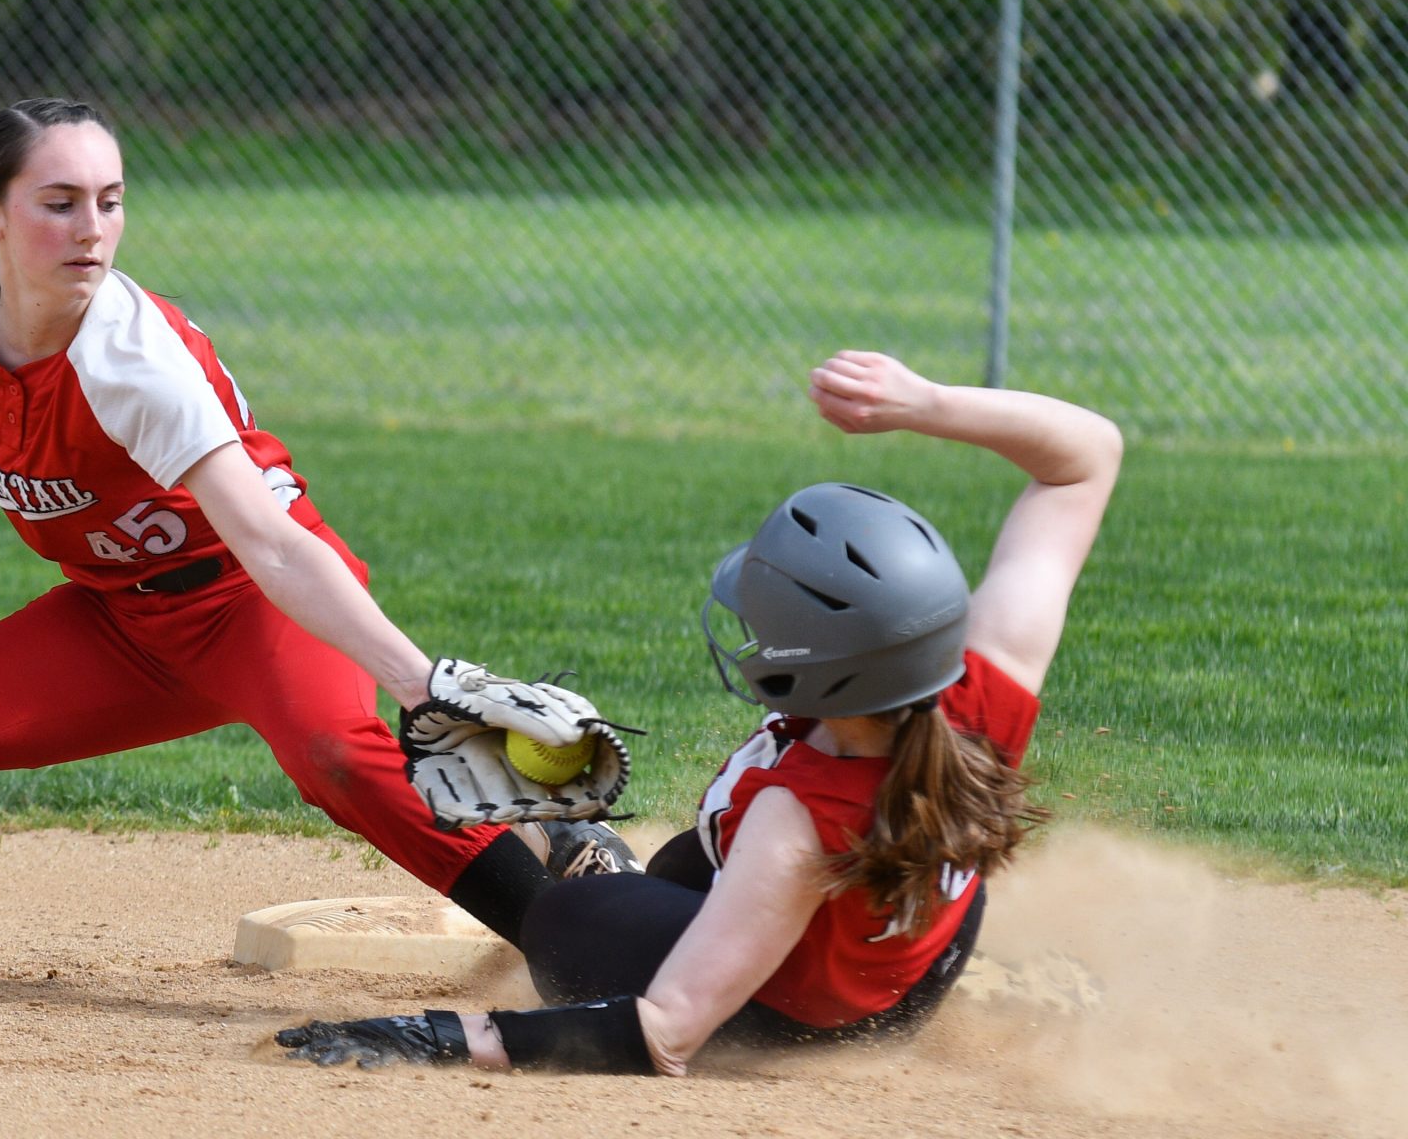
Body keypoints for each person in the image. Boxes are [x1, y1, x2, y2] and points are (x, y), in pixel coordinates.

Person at [0, 97, 635, 975]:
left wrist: (424, 683)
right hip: (118, 623)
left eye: (109, 200)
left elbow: (275, 547)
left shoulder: (133, 365)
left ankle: (568, 933)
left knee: (337, 753)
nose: (93, 228)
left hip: (250, 601)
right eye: (59, 201)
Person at [278, 350, 1123, 1074]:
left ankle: (665, 935)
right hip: (916, 967)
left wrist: (443, 1038)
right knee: (688, 865)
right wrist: (925, 403)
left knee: (564, 917)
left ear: (814, 675)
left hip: (800, 1017)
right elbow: (1087, 454)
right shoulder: (987, 678)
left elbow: (666, 1034)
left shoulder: (794, 823)